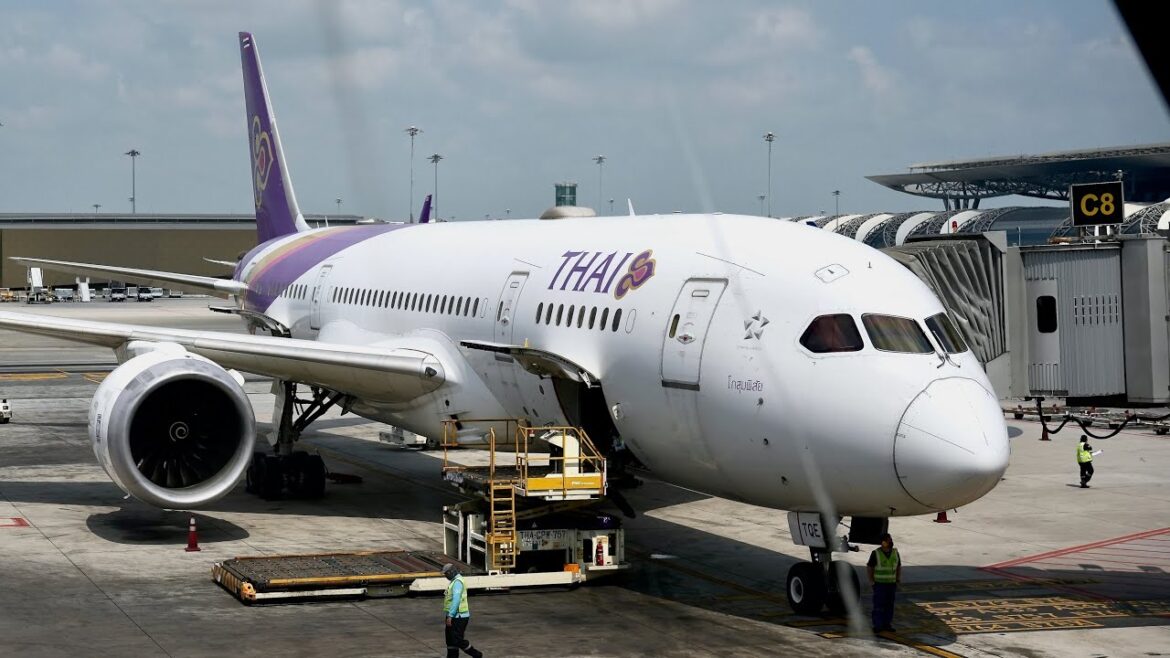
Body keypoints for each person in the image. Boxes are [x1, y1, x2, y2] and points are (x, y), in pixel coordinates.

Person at [442, 563, 483, 658]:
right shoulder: (454, 581)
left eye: (446, 574)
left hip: (458, 616)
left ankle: (476, 654)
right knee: (450, 640)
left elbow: (456, 600)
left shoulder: (457, 582)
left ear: (451, 572)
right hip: (453, 615)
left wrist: (450, 615)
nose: (445, 576)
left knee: (457, 639)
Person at [866, 532, 901, 634]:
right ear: (883, 542)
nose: (890, 541)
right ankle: (877, 625)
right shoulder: (876, 553)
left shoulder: (895, 552)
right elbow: (870, 567)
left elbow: (898, 566)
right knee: (879, 606)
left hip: (891, 584)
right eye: (888, 540)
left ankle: (887, 624)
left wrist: (898, 579)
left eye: (890, 539)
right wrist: (871, 581)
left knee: (889, 605)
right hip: (880, 584)